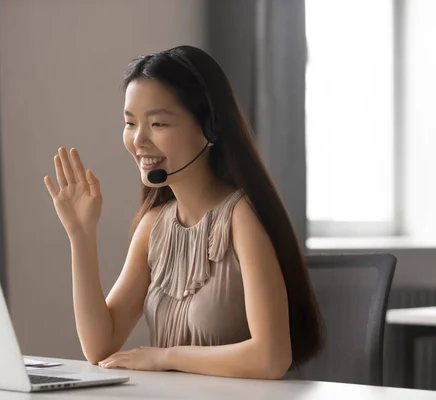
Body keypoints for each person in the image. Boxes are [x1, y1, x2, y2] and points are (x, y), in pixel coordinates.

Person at [43, 45, 323, 380]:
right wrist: (81, 235)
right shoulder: (154, 226)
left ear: (210, 128)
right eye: (130, 123)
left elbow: (270, 358)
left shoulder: (240, 217)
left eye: (158, 123)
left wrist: (165, 357)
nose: (138, 140)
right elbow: (99, 347)